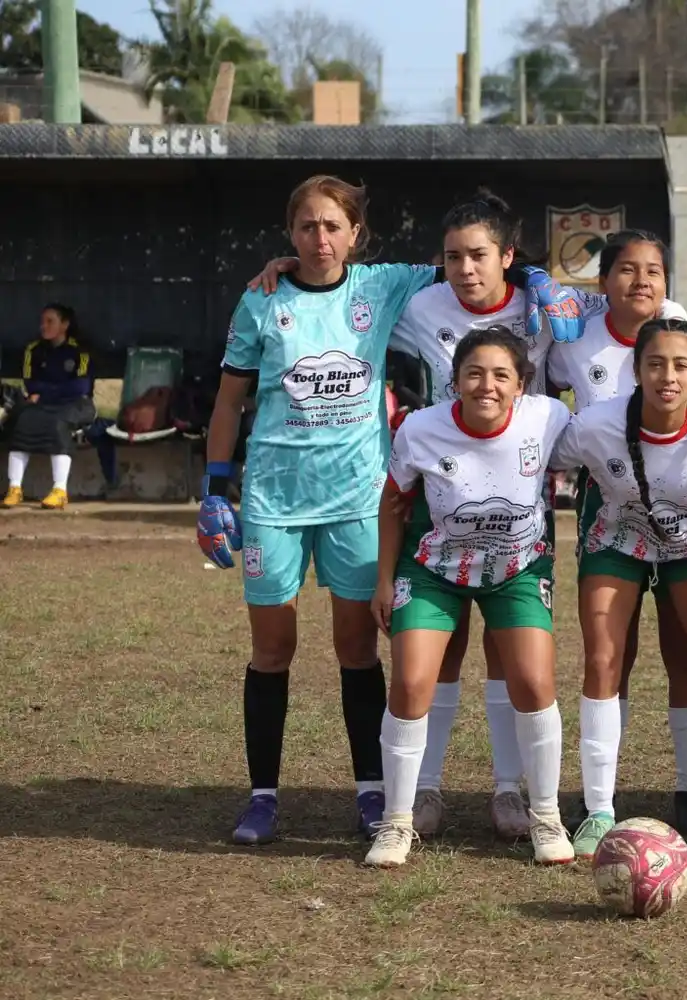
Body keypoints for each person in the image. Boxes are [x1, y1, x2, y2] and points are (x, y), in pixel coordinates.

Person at [245, 190, 583, 842]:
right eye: (454, 257)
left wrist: (552, 281)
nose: (466, 269)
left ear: (507, 256)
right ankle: (422, 794)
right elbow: (346, 299)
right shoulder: (422, 306)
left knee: (513, 655)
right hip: (439, 499)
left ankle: (509, 793)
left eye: (480, 255)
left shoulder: (539, 308)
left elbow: (608, 320)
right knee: (439, 653)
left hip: (519, 509)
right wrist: (293, 265)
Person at [199, 175, 442, 846]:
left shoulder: (381, 286)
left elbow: (462, 266)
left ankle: (370, 794)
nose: (321, 239)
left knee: (357, 646)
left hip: (358, 501)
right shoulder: (261, 300)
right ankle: (262, 798)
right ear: (290, 234)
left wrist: (537, 281)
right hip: (275, 500)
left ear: (356, 234)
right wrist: (217, 490)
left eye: (334, 226)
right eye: (307, 227)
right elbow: (228, 404)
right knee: (272, 649)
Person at [547, 229, 687, 836]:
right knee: (607, 656)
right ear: (633, 370)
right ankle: (598, 806)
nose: (668, 375)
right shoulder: (591, 422)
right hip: (615, 533)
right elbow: (534, 443)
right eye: (655, 364)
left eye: (681, 366)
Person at [365, 327, 574, 868]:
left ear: (521, 385)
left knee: (533, 680)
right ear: (454, 380)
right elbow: (393, 504)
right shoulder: (420, 429)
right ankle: (397, 820)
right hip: (433, 569)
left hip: (517, 568)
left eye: (502, 375)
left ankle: (544, 814)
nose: (487, 385)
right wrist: (384, 579)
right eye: (474, 374)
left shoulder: (547, 418)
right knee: (412, 681)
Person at [3, 303, 95, 510]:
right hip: (44, 404)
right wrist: (53, 390)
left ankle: (60, 490)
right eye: (42, 322)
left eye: (50, 321)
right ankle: (14, 488)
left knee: (58, 423)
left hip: (77, 404)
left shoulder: (79, 350)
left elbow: (80, 387)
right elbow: (30, 383)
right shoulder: (33, 350)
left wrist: (46, 391)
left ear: (65, 325)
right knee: (22, 421)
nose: (43, 326)